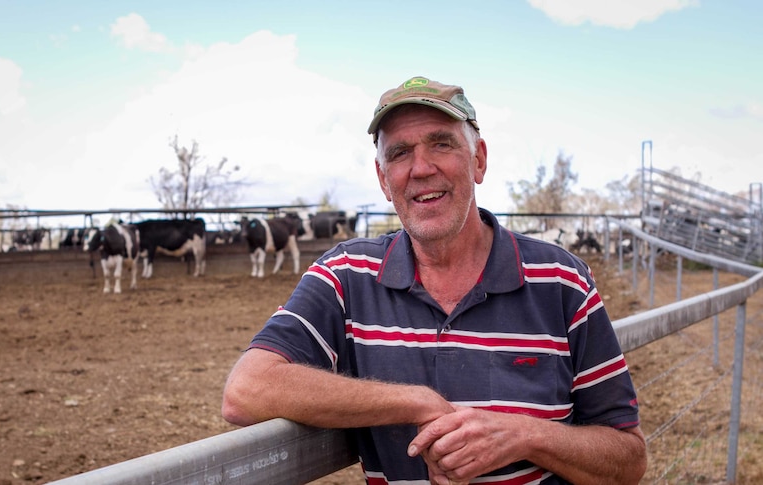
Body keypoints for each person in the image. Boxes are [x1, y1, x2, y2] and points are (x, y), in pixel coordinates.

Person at [222, 76, 646, 485]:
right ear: (383, 179)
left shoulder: (561, 280)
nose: (420, 168)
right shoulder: (346, 276)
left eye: (441, 144)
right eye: (400, 153)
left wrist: (525, 436)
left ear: (479, 159)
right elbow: (247, 390)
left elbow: (628, 461)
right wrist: (414, 401)